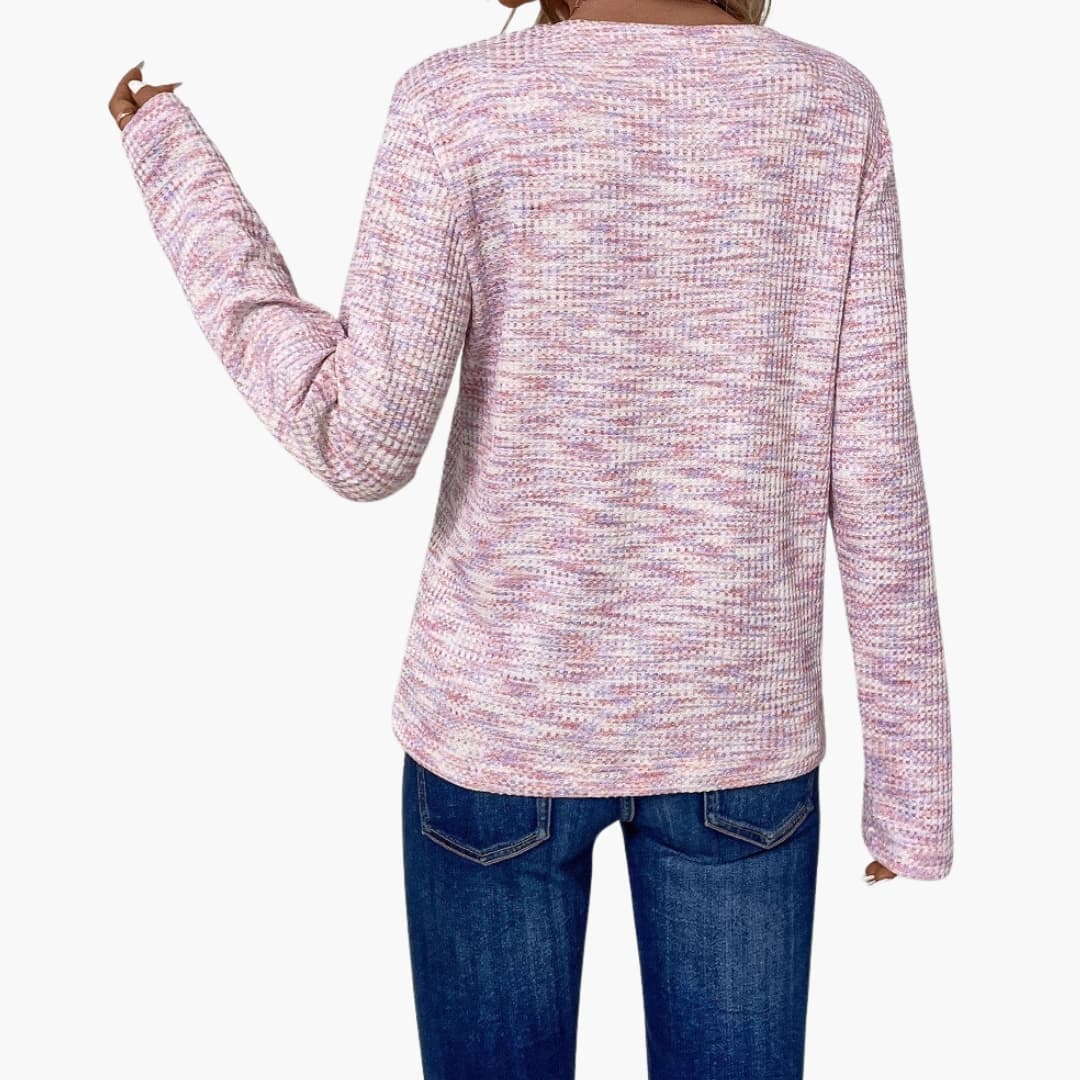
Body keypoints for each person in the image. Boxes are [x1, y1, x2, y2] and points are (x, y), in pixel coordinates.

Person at [108, 0, 954, 1075]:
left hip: (498, 728)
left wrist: (169, 156)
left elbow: (359, 442)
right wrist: (913, 799)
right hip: (739, 737)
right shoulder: (829, 109)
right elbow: (874, 467)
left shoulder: (458, 103)